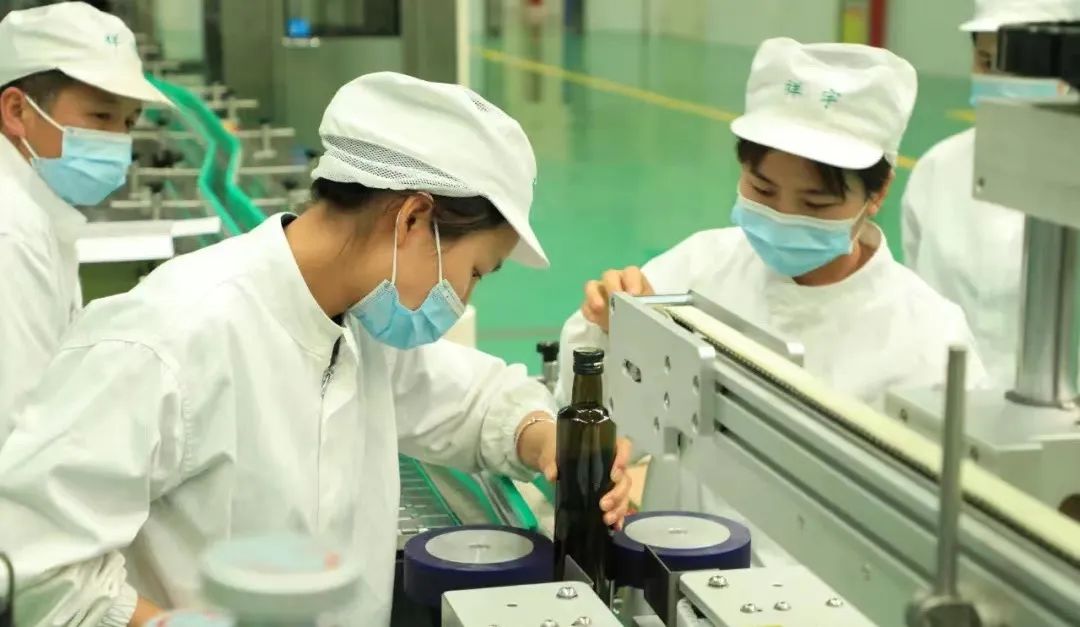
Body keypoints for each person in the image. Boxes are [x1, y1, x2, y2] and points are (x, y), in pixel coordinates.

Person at [0, 72, 633, 627]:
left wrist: (544, 439)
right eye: (472, 273)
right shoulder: (166, 338)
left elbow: (474, 400)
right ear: (412, 218)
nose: (461, 299)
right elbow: (38, 568)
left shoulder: (356, 319)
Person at [557, 37, 986, 412]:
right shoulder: (700, 266)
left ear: (878, 193)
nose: (784, 216)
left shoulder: (928, 340)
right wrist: (614, 325)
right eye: (762, 190)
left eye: (815, 203)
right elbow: (583, 394)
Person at [0, 2, 170, 440]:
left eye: (128, 122)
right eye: (100, 116)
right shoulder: (11, 234)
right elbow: (17, 435)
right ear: (17, 111)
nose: (119, 141)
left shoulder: (37, 213)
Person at [902, 0, 1080, 389]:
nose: (1000, 78)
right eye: (986, 61)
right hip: (941, 402)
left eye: (1022, 64)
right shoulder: (938, 169)